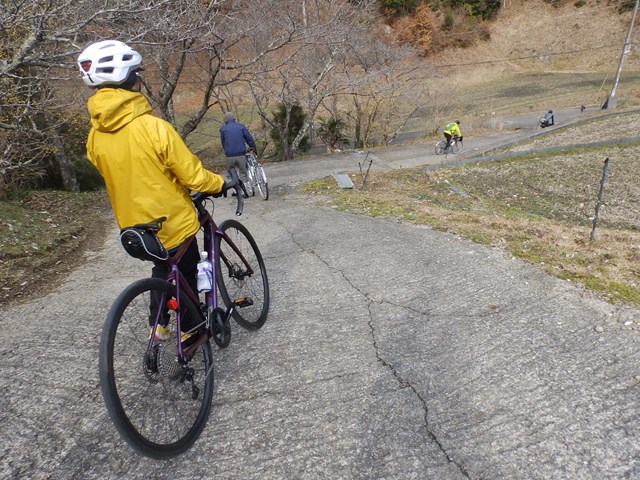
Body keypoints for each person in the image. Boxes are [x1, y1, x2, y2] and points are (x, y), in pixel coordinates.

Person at [78, 39, 229, 340]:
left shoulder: (95, 136)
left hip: (135, 228)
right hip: (171, 221)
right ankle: (190, 332)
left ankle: (157, 325)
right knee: (187, 269)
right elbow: (195, 178)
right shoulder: (153, 127)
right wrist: (221, 183)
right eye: (137, 74)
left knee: (163, 266)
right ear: (130, 80)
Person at [219, 111, 257, 196]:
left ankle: (236, 191)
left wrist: (226, 150)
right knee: (243, 173)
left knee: (231, 174)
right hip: (241, 155)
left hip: (229, 156)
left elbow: (223, 142)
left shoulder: (223, 129)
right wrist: (253, 148)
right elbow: (249, 138)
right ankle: (246, 191)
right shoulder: (241, 127)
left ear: (225, 120)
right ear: (234, 119)